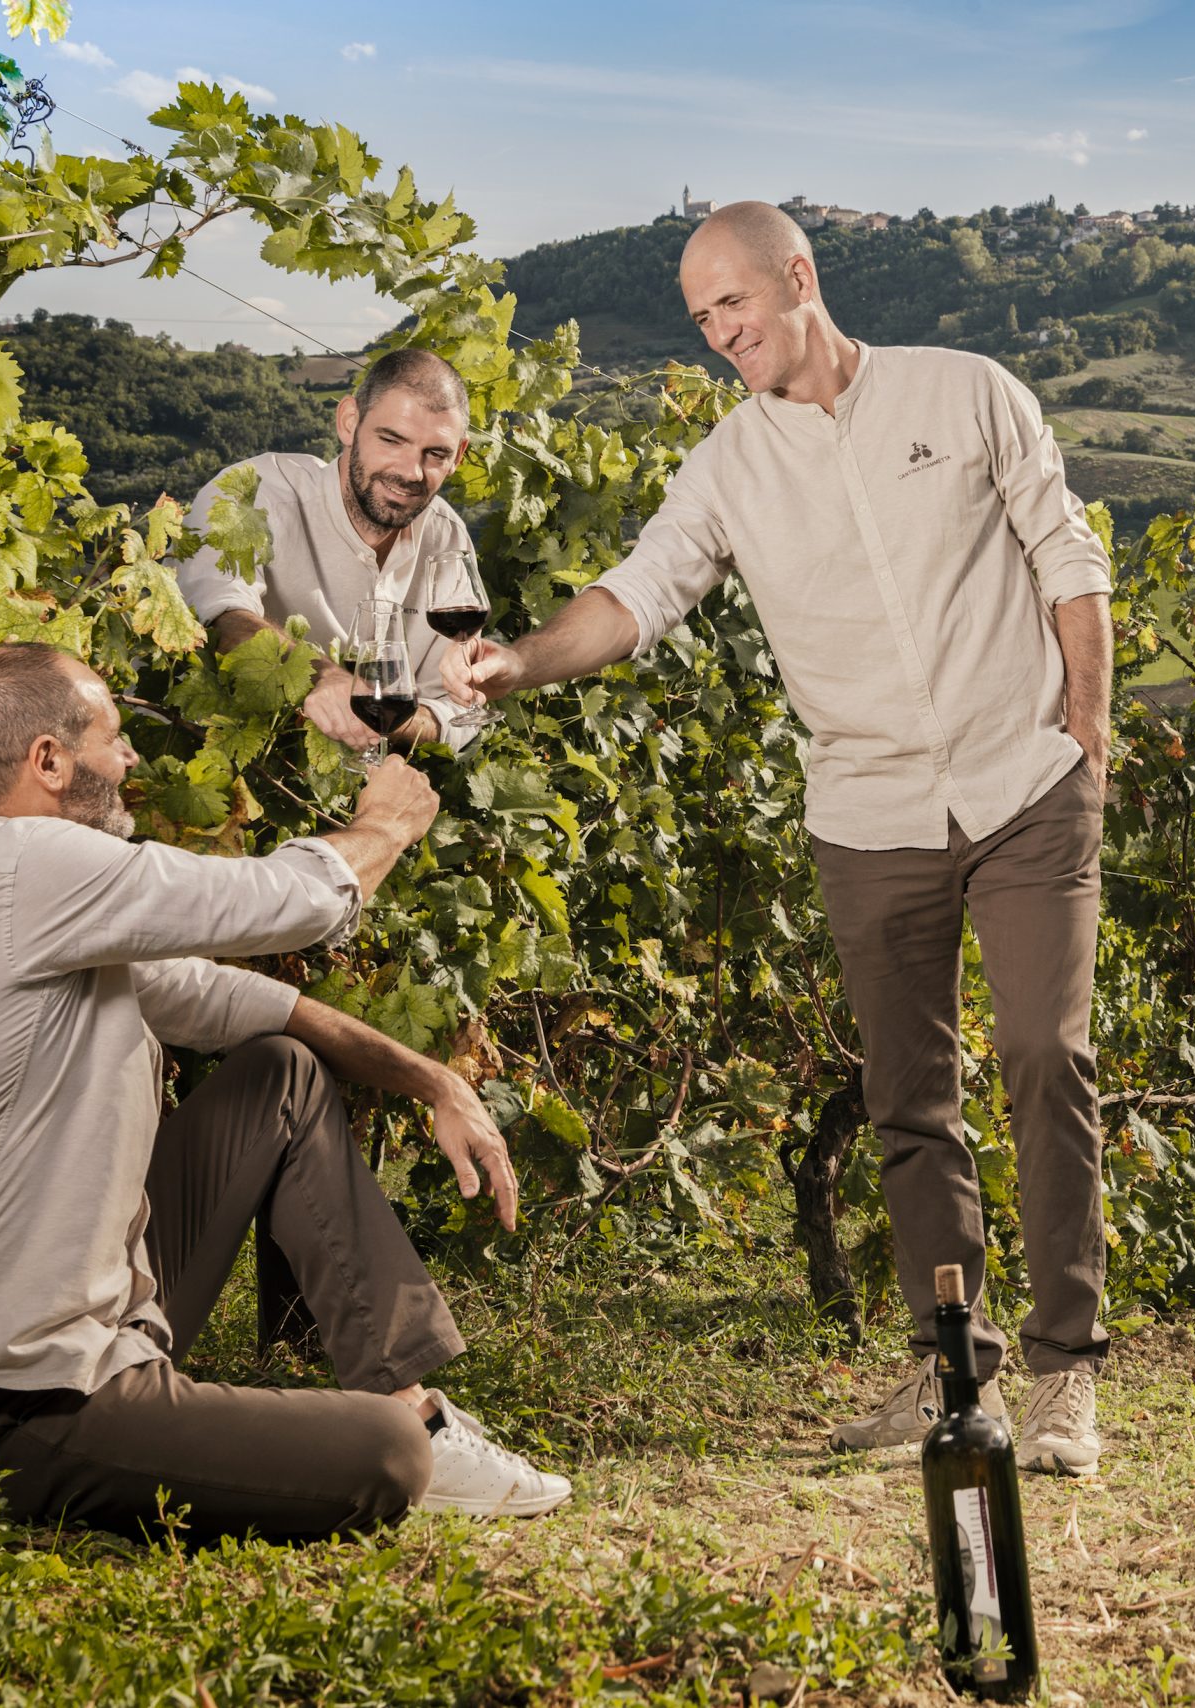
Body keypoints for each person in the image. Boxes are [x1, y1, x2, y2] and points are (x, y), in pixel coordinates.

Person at [444, 202, 1115, 1476]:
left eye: (731, 306)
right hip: (868, 817)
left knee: (1044, 1055)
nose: (718, 336)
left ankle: (1066, 1372)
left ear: (797, 278)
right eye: (701, 320)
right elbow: (636, 596)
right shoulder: (729, 467)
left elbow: (1067, 558)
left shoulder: (967, 392)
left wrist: (1085, 738)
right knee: (909, 1102)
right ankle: (947, 1362)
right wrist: (517, 664)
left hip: (1024, 784)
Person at [0, 642, 570, 1540]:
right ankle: (406, 1429)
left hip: (84, 1343)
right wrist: (383, 826)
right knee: (387, 1457)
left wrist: (431, 1080)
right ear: (47, 761)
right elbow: (285, 900)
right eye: (114, 740)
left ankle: (408, 1394)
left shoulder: (3, 888)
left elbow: (234, 999)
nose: (130, 761)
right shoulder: (26, 864)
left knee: (279, 1073)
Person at [171, 348, 491, 755]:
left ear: (458, 457)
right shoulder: (251, 494)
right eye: (392, 440)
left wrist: (388, 721)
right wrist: (324, 677)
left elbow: (456, 709)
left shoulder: (447, 539)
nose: (411, 472)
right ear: (349, 422)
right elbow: (215, 617)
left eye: (436, 454)